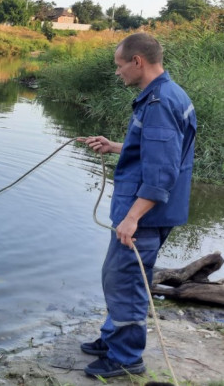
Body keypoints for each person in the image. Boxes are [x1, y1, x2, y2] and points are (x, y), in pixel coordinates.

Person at [80, 33, 196, 378]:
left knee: (125, 280)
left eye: (119, 65)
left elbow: (161, 174)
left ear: (137, 62)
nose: (118, 73)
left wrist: (132, 218)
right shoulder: (165, 95)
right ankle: (113, 338)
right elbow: (155, 151)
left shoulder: (160, 104)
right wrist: (115, 146)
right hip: (150, 212)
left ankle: (126, 358)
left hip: (146, 214)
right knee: (119, 275)